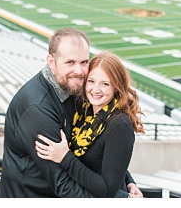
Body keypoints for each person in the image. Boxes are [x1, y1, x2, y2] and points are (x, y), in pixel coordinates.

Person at [0, 28, 142, 198]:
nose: (79, 71)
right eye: (70, 62)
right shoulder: (39, 109)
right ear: (51, 62)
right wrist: (122, 198)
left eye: (84, 62)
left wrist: (126, 180)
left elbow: (104, 152)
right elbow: (63, 185)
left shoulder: (74, 90)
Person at [34, 52, 146, 198]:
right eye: (91, 81)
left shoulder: (119, 125)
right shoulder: (84, 111)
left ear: (116, 87)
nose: (96, 90)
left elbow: (107, 190)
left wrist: (65, 158)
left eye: (105, 84)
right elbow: (109, 160)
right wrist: (128, 180)